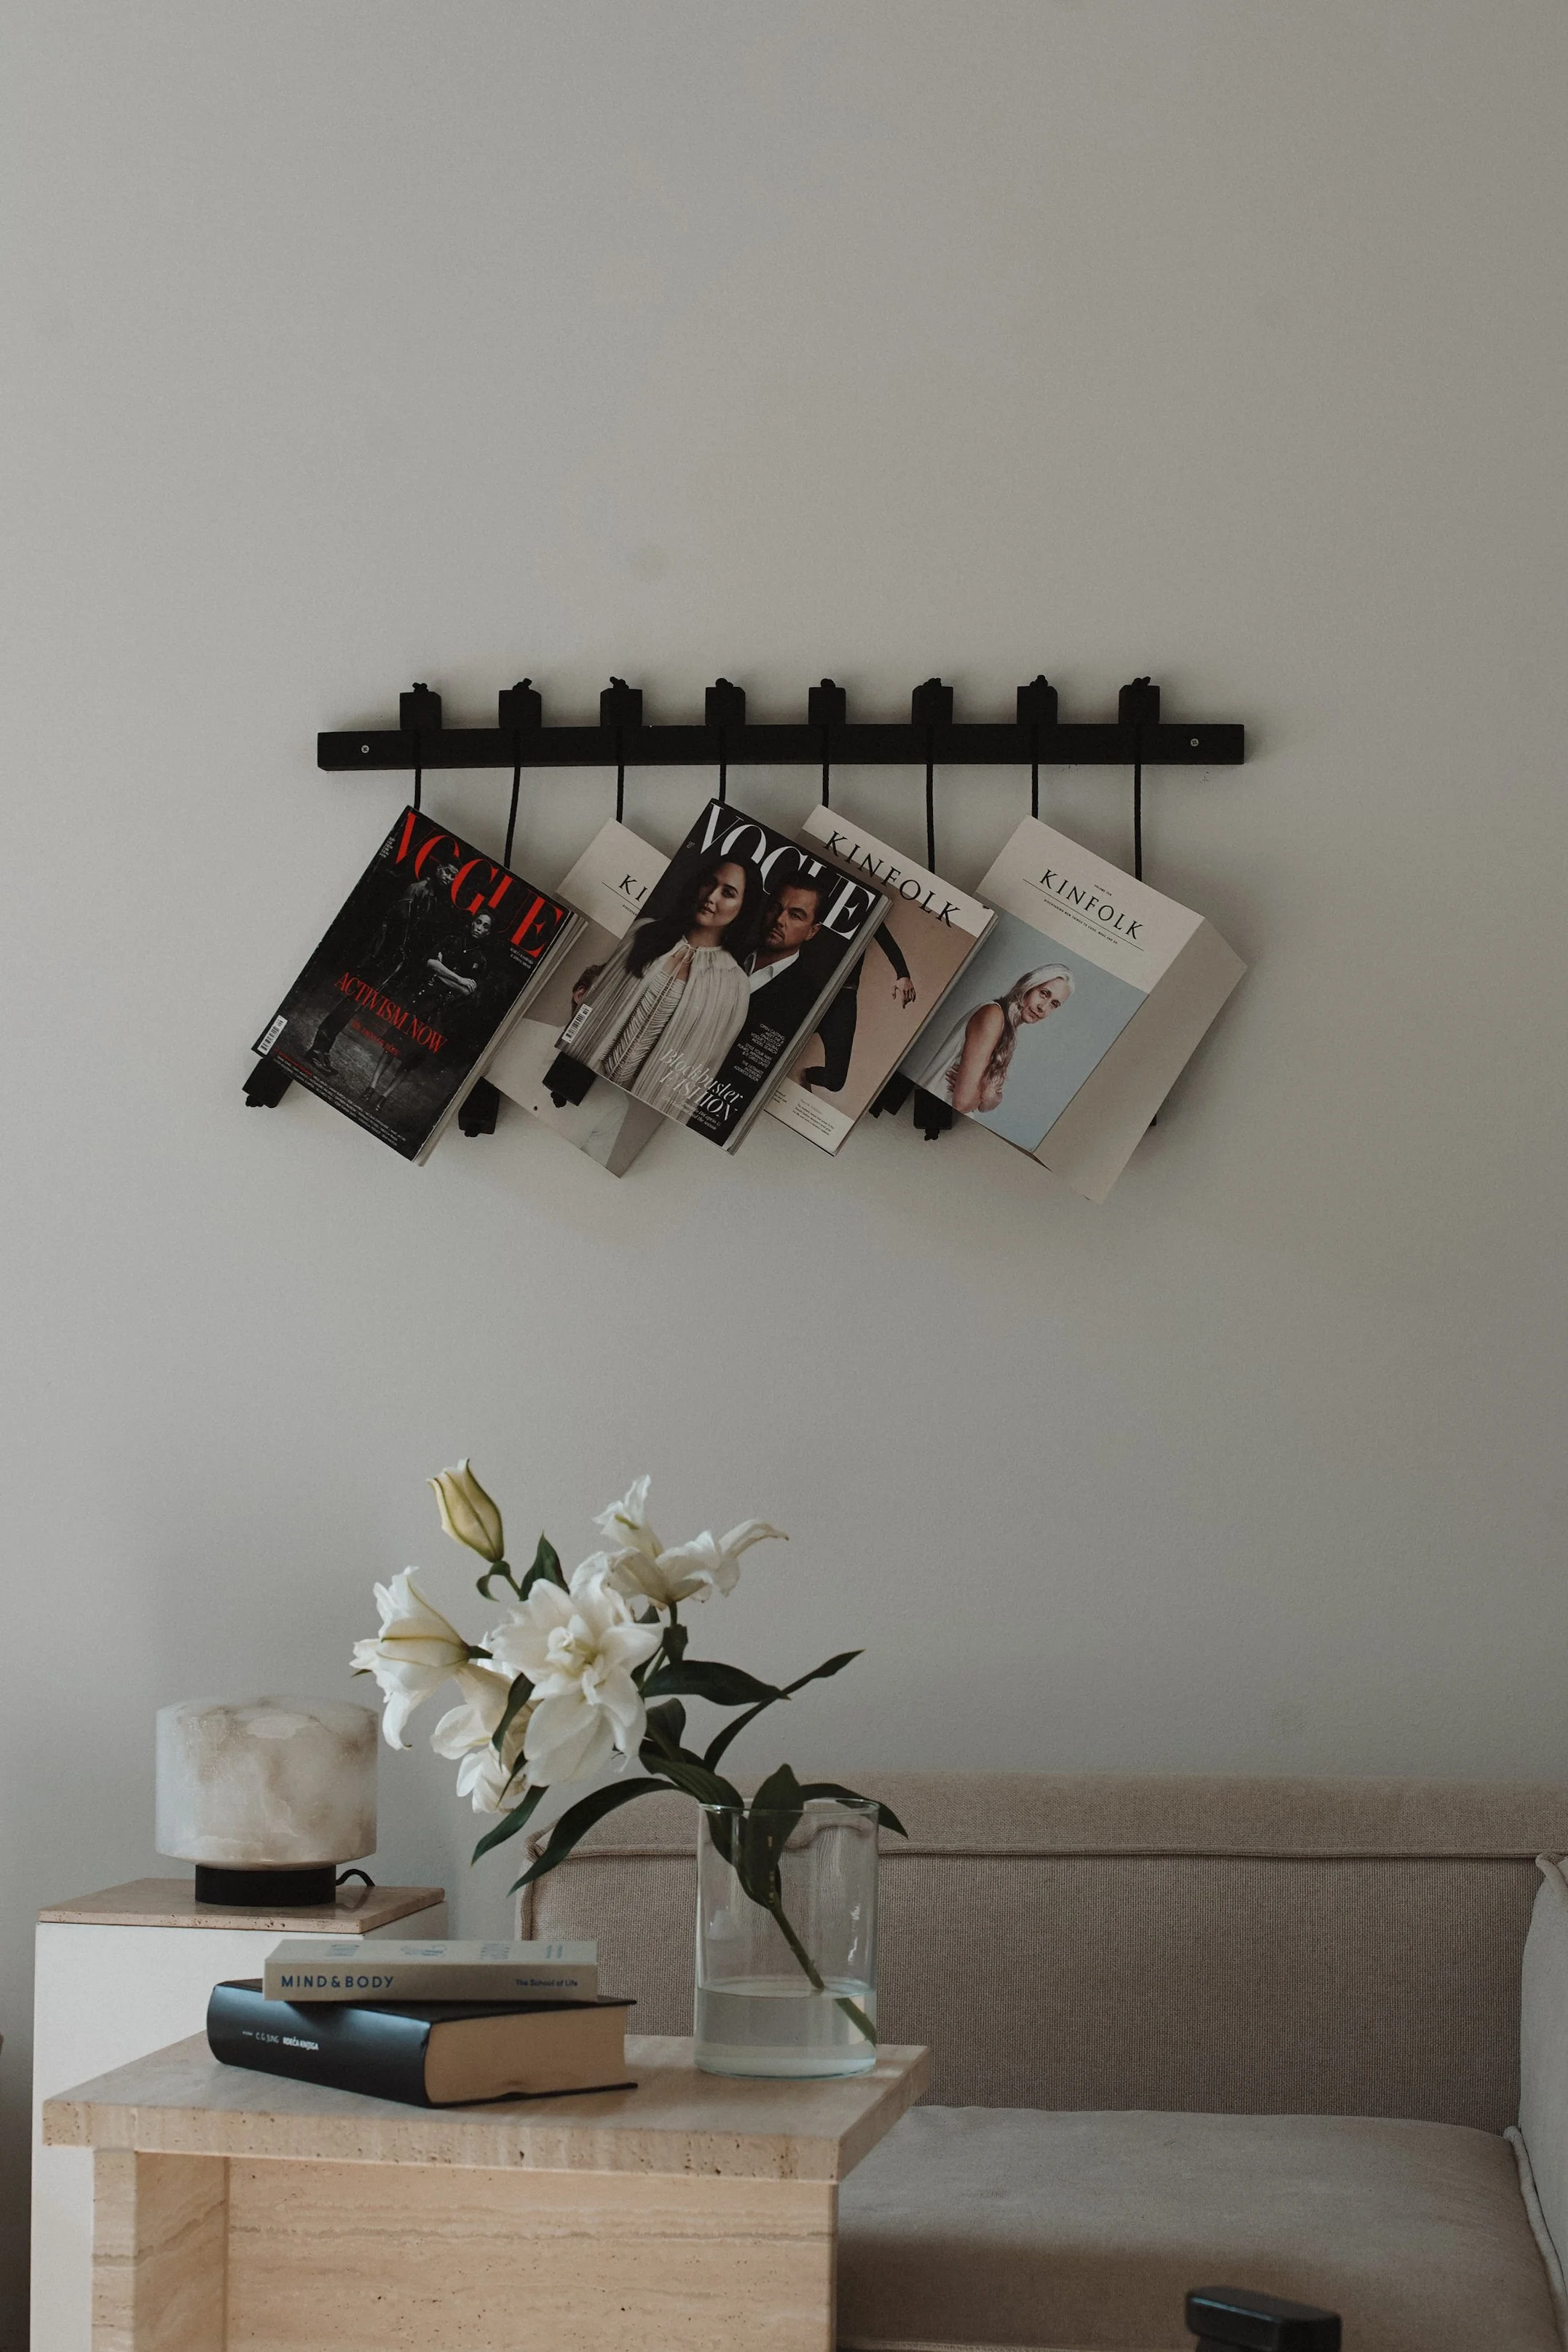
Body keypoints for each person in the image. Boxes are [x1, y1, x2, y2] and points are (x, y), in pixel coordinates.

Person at [565, 852, 762, 1116]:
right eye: (709, 883)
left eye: (728, 893)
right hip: (578, 1071)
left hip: (634, 1109)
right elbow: (595, 1002)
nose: (711, 897)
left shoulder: (735, 985)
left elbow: (705, 1066)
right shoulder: (644, 932)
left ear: (743, 907)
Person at [911, 964, 1073, 1116]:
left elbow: (987, 1104)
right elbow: (964, 1103)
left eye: (1054, 1004)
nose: (1043, 1007)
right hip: (932, 1109)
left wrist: (990, 1095)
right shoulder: (993, 1015)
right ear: (1028, 986)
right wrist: (988, 1094)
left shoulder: (1008, 1031)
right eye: (1044, 993)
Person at [795, 927, 915, 1095]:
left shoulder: (865, 907)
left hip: (843, 997)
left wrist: (903, 975)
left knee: (835, 1080)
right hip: (807, 990)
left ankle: (805, 1074)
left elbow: (886, 939)